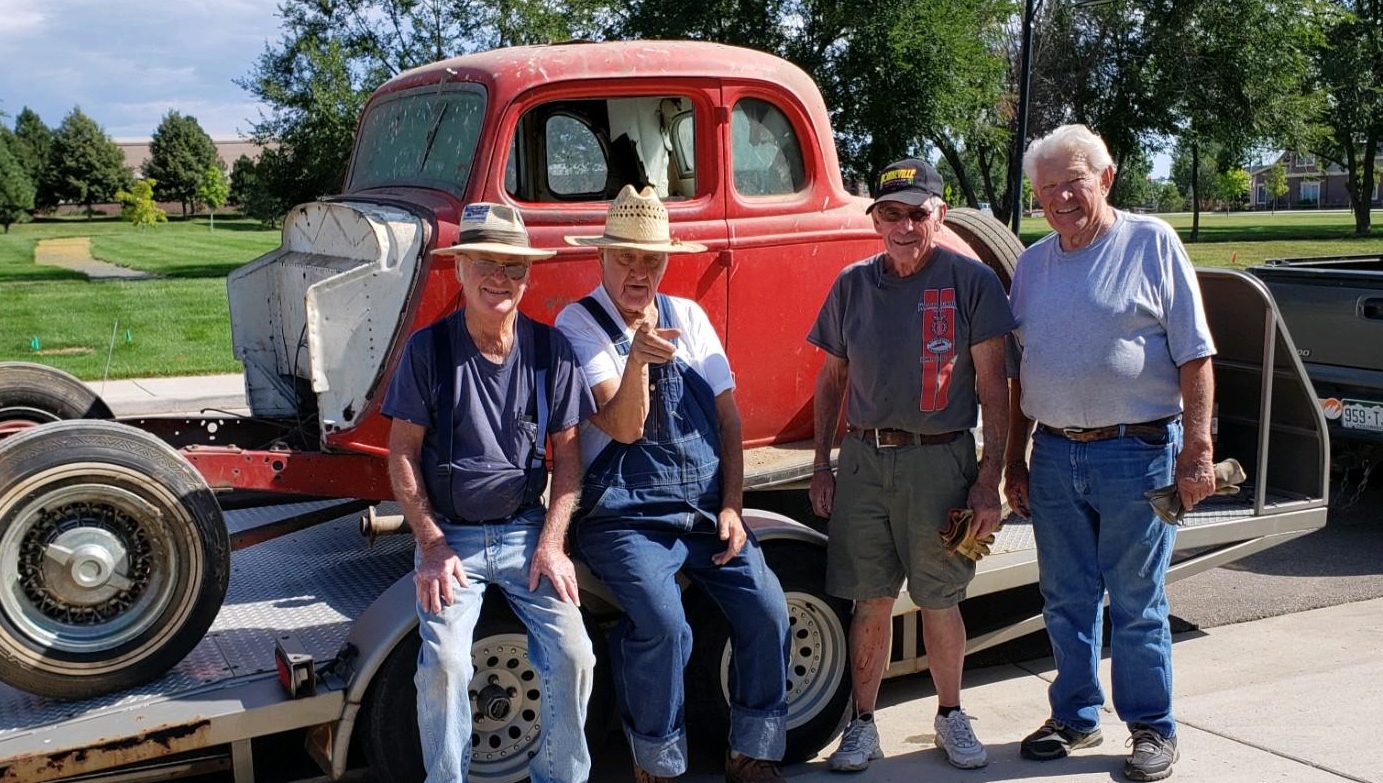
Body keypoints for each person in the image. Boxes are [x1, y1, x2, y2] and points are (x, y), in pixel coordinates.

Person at [554, 185, 791, 783]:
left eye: (651, 259)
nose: (639, 271)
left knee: (767, 609)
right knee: (664, 626)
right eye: (625, 257)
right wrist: (636, 359)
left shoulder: (690, 316)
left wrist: (732, 505)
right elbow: (624, 427)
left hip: (704, 511)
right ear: (601, 257)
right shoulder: (579, 323)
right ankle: (656, 763)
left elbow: (729, 421)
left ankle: (752, 752)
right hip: (624, 517)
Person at [1003, 124, 1217, 782]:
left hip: (1140, 453)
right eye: (1047, 188)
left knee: (1136, 600)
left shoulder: (1151, 242)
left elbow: (1196, 355)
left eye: (1073, 182)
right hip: (1054, 454)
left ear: (1106, 177)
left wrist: (1198, 448)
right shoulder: (1032, 265)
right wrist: (1013, 461)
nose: (1060, 198)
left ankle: (1152, 727)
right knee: (1064, 597)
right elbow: (1021, 372)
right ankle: (1074, 715)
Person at [807, 158, 1014, 771]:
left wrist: (989, 480)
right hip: (864, 460)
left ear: (939, 215)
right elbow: (831, 379)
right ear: (875, 220)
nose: (903, 226)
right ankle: (862, 725)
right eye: (890, 214)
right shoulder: (852, 284)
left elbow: (995, 387)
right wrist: (821, 463)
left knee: (939, 597)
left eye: (916, 214)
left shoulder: (972, 281)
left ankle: (951, 715)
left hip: (940, 461)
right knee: (869, 600)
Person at [383, 203, 597, 783]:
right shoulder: (429, 351)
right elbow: (402, 453)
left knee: (576, 656)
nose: (499, 277)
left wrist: (552, 543)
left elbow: (568, 458)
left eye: (513, 265)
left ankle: (559, 777)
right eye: (485, 262)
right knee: (446, 665)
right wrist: (431, 544)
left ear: (528, 276)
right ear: (459, 269)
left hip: (528, 532)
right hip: (451, 540)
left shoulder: (551, 352)